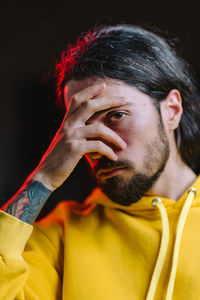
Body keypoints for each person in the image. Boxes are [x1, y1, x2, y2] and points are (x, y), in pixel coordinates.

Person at [0, 23, 200, 300]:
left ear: (172, 111)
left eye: (115, 116)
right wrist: (42, 178)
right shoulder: (60, 235)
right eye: (82, 125)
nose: (98, 146)